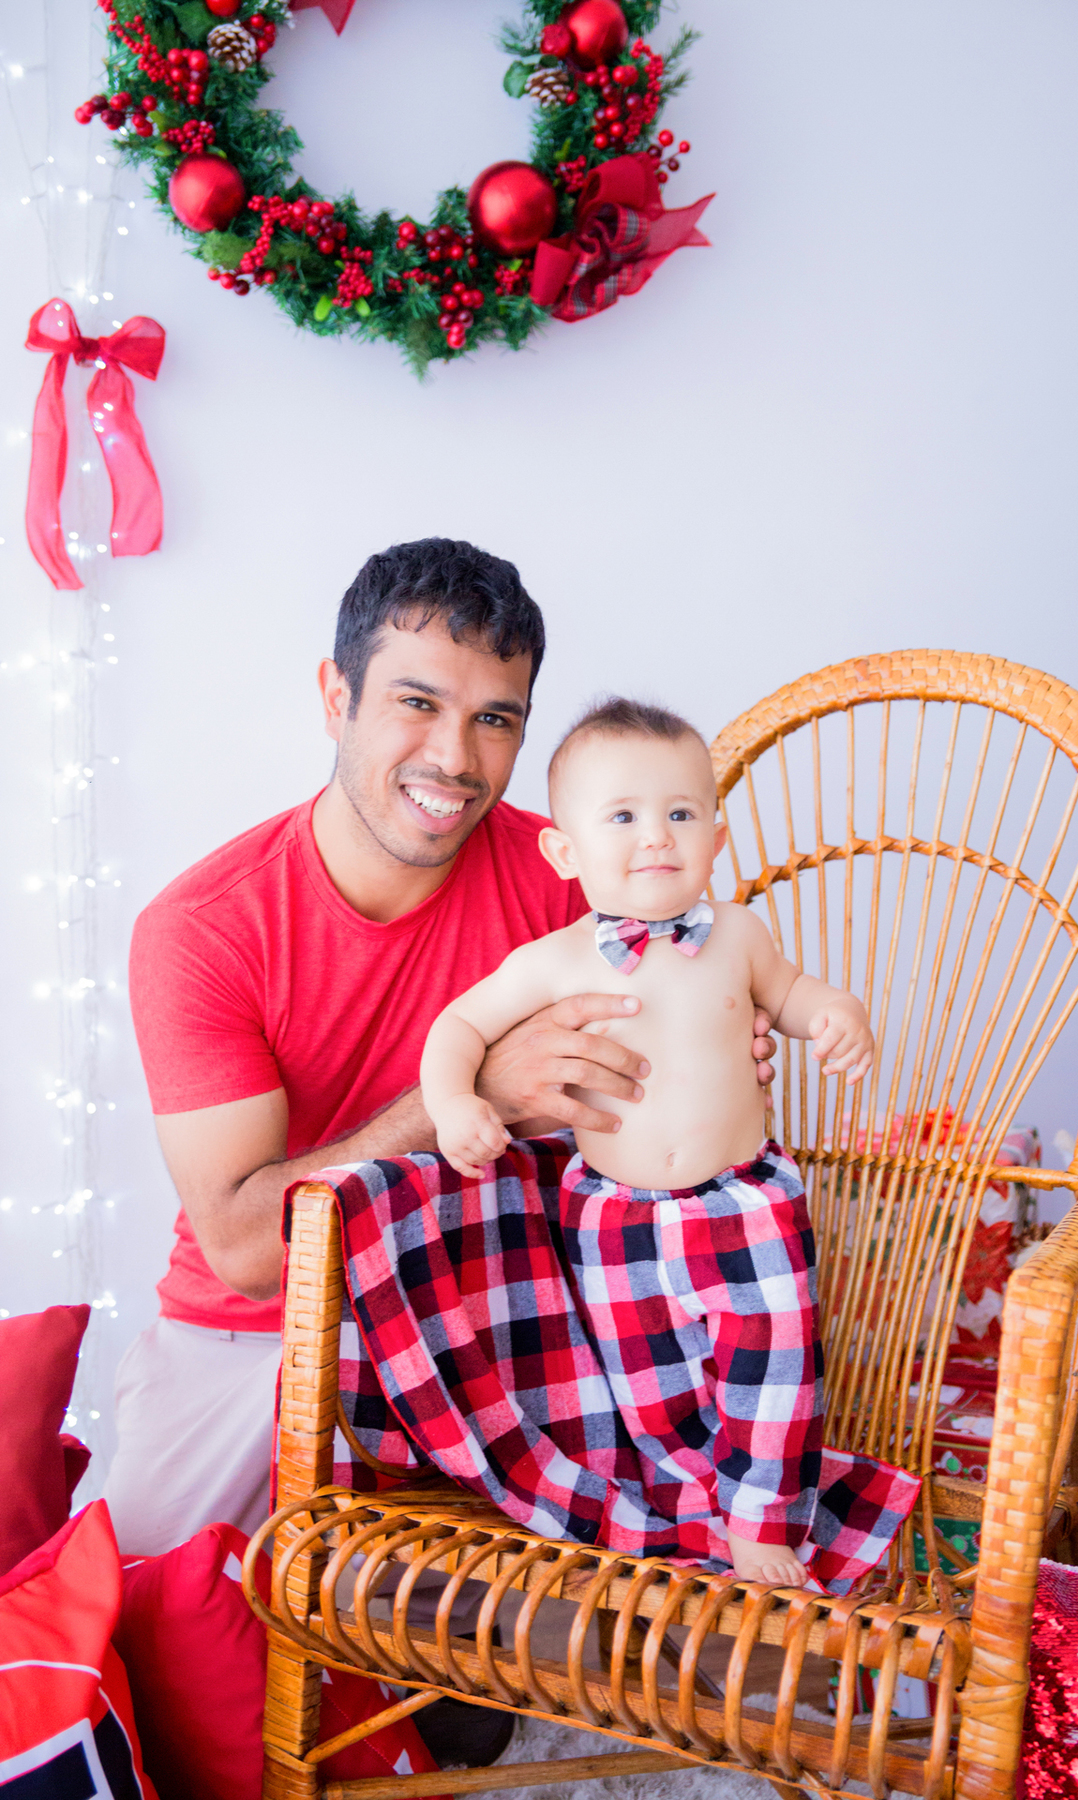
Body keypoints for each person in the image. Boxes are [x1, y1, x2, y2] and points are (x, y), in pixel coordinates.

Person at [106, 543, 776, 1759]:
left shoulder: (569, 872)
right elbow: (248, 1247)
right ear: (335, 697)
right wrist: (467, 1089)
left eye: (496, 720)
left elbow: (685, 1034)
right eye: (417, 703)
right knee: (142, 1632)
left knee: (692, 1664)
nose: (454, 760)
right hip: (253, 1330)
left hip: (496, 1309)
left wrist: (715, 1057)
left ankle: (464, 1643)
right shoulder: (201, 928)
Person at [421, 697, 873, 1588]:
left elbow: (796, 993)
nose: (656, 837)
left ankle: (758, 1520)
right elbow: (458, 1027)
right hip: (617, 1221)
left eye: (679, 813)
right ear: (565, 850)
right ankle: (686, 1509)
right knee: (651, 1391)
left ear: (716, 833)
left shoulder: (740, 935)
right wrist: (450, 1104)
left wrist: (837, 1017)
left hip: (744, 1206)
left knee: (772, 1371)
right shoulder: (556, 958)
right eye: (622, 816)